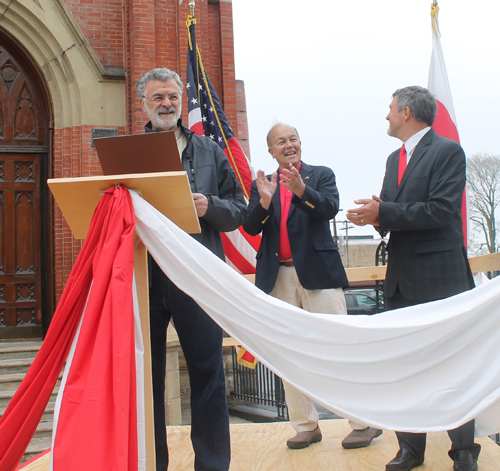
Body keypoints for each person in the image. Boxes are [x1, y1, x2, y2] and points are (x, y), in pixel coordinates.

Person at [346, 86, 480, 471]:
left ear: (406, 112)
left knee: (453, 367)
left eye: (390, 109)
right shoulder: (393, 159)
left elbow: (439, 211)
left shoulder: (447, 152)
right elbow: (394, 211)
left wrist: (384, 211)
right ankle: (410, 450)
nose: (386, 116)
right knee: (405, 368)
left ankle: (464, 452)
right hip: (401, 280)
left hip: (441, 278)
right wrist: (372, 217)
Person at [243, 123, 382, 450]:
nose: (288, 145)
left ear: (300, 144)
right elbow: (249, 225)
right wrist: (264, 201)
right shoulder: (262, 185)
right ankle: (306, 426)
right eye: (281, 142)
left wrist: (302, 190)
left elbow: (329, 208)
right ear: (271, 150)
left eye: (293, 139)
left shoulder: (320, 175)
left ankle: (363, 423)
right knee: (289, 355)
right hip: (278, 279)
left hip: (318, 276)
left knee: (339, 350)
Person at [136, 68, 248, 471]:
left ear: (181, 100)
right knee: (145, 379)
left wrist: (210, 207)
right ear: (143, 104)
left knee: (207, 373)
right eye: (158, 98)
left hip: (197, 273)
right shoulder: (129, 150)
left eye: (172, 96)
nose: (167, 103)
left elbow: (240, 210)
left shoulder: (209, 149)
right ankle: (152, 464)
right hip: (145, 274)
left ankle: (213, 465)